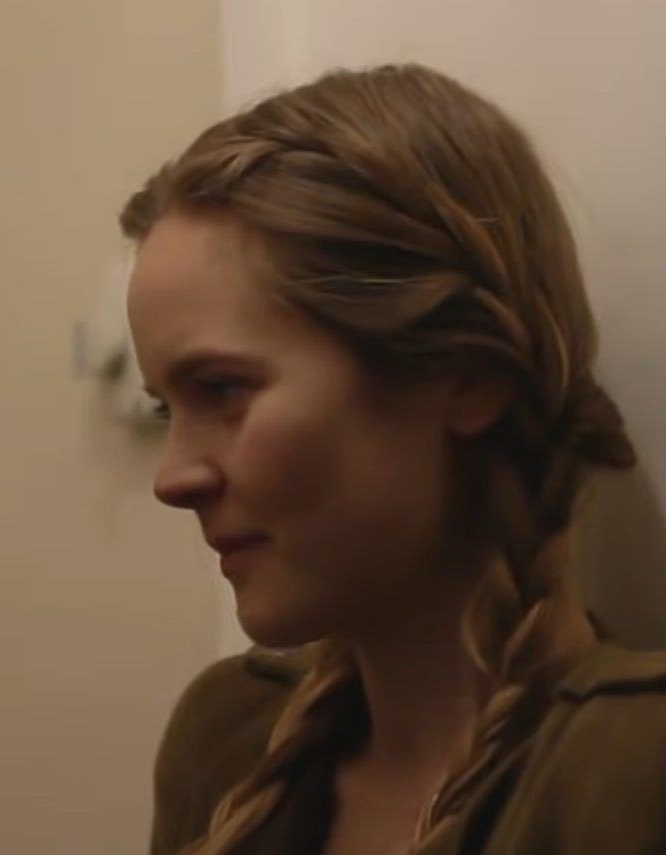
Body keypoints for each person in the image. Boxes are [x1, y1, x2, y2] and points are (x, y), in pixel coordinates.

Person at [123, 64, 666, 854]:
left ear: (465, 371)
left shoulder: (630, 771)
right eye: (167, 409)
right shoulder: (228, 739)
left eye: (223, 389)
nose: (172, 479)